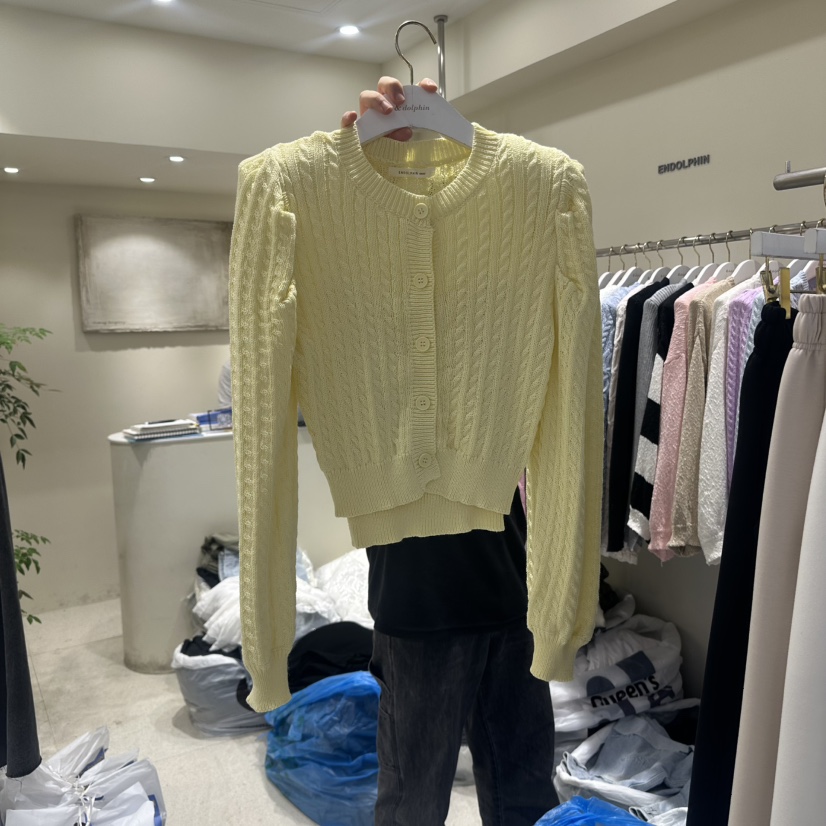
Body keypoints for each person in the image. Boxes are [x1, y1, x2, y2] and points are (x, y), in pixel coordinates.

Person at [339, 77, 559, 826]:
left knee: (525, 793)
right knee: (412, 801)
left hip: (510, 590)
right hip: (418, 604)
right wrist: (361, 173)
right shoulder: (364, 310)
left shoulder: (494, 300)